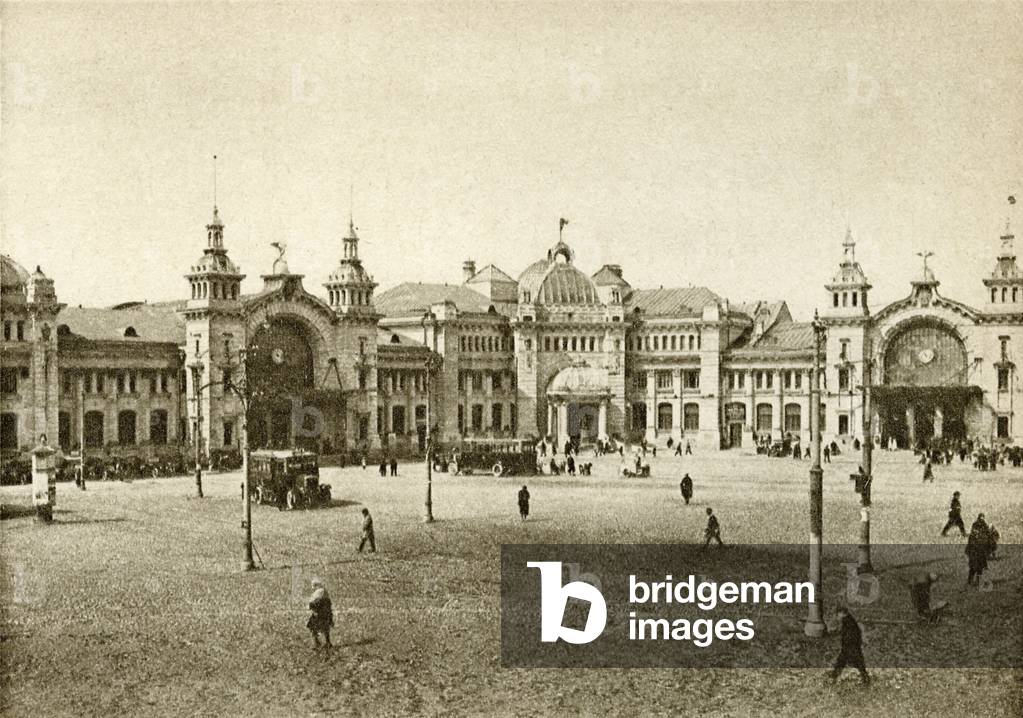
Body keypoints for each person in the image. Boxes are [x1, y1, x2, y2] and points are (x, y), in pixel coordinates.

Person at [827, 606, 870, 686]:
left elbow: (847, 634)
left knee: (844, 662)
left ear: (841, 613)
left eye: (838, 614)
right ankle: (865, 679)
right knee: (856, 664)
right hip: (852, 646)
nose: (837, 617)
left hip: (850, 647)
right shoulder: (849, 620)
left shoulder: (847, 621)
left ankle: (833, 678)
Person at [306, 578, 334, 651]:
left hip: (318, 614)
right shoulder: (324, 591)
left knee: (312, 628)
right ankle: (327, 642)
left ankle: (316, 643)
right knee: (325, 628)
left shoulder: (318, 592)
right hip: (326, 614)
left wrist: (311, 607)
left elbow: (314, 603)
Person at [966, 514, 989, 586]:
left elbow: (987, 534)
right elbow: (969, 546)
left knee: (979, 569)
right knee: (973, 569)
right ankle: (970, 581)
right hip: (974, 554)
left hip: (979, 553)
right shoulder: (973, 536)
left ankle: (978, 581)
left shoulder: (984, 527)